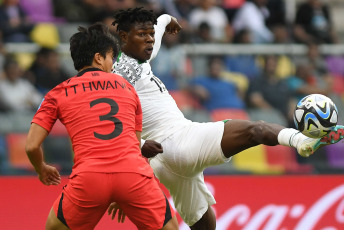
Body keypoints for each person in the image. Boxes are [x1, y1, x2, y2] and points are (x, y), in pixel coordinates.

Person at [110, 8, 344, 230]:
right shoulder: (122, 74)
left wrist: (163, 21)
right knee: (255, 130)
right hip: (180, 140)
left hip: (163, 162)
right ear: (122, 37)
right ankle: (301, 141)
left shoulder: (134, 60)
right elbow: (116, 129)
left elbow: (155, 39)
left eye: (150, 34)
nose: (150, 40)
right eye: (143, 35)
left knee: (202, 223)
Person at [25, 22, 178, 230]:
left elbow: (31, 146)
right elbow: (136, 146)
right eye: (110, 58)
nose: (112, 65)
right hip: (133, 175)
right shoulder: (127, 88)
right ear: (98, 58)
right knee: (169, 228)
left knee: (54, 227)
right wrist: (127, 195)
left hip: (89, 178)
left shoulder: (57, 93)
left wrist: (41, 169)